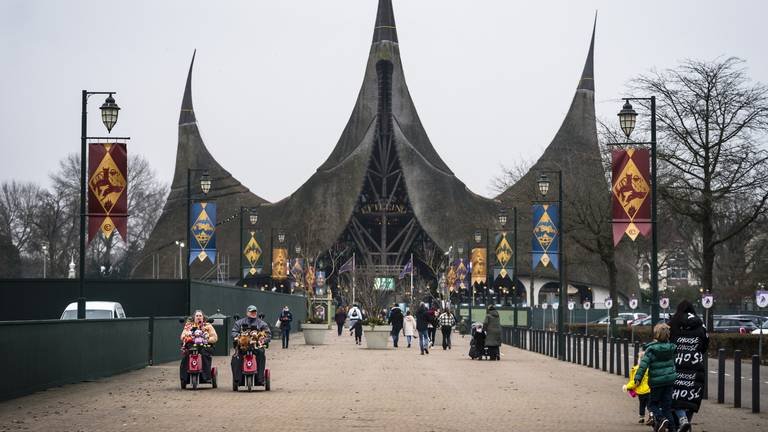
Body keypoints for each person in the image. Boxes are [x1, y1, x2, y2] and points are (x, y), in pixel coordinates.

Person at [669, 300, 709, 432]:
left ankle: (681, 421)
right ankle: (686, 422)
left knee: (675, 395)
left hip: (676, 364)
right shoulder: (700, 325)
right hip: (695, 366)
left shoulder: (672, 323)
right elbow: (704, 345)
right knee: (691, 396)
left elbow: (666, 342)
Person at [634, 323, 677, 432]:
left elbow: (643, 365)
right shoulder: (671, 348)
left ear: (656, 335)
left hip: (656, 383)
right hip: (669, 381)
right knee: (667, 408)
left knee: (652, 404)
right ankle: (672, 429)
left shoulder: (651, 349)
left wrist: (638, 378)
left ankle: (661, 419)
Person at [231, 305, 271, 386]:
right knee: (236, 358)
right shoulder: (239, 322)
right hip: (243, 346)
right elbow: (234, 332)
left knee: (261, 353)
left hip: (256, 346)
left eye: (255, 311)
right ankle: (237, 379)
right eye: (251, 312)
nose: (253, 313)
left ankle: (260, 379)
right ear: (247, 313)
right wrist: (238, 337)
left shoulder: (261, 323)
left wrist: (263, 340)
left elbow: (268, 334)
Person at [179, 310, 218, 384]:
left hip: (205, 345)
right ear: (194, 317)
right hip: (192, 345)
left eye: (200, 316)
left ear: (203, 317)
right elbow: (182, 336)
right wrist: (188, 337)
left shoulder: (208, 325)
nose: (198, 317)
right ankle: (184, 378)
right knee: (186, 355)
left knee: (204, 354)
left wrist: (206, 339)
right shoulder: (189, 325)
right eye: (197, 316)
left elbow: (215, 337)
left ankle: (206, 377)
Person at [624, 349, 653, 425]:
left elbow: (635, 382)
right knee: (649, 404)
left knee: (642, 404)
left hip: (641, 391)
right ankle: (651, 415)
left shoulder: (637, 369)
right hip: (649, 390)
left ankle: (641, 417)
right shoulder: (649, 368)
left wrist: (627, 387)